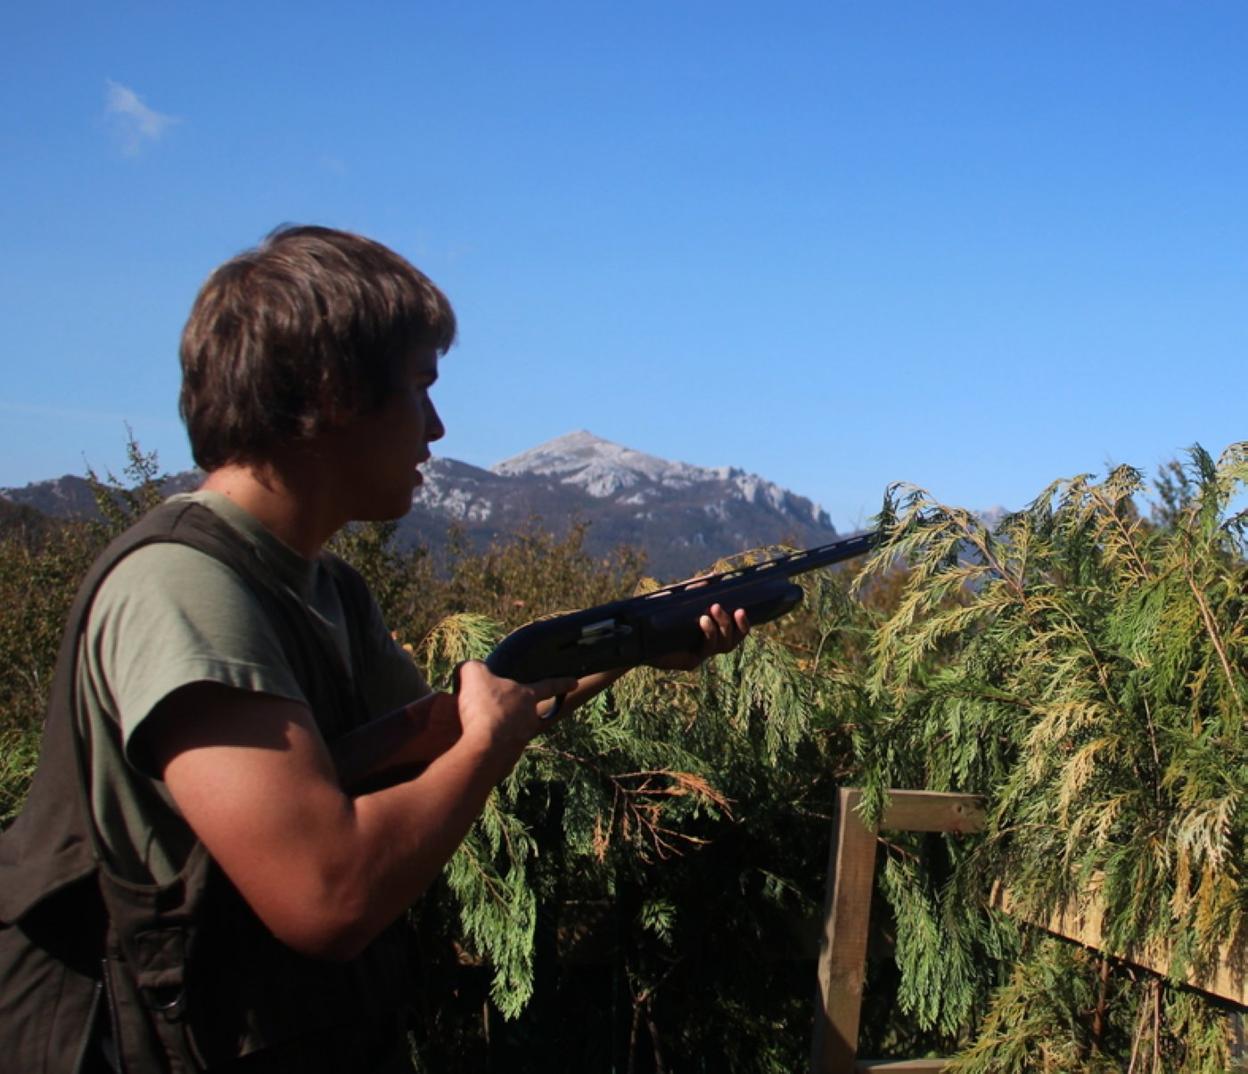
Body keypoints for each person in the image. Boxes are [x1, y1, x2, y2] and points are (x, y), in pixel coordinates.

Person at [0, 225, 749, 1073]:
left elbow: (444, 729)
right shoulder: (185, 586)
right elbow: (328, 894)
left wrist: (642, 640)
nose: (436, 425)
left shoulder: (327, 588)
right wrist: (488, 753)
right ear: (332, 394)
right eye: (419, 388)